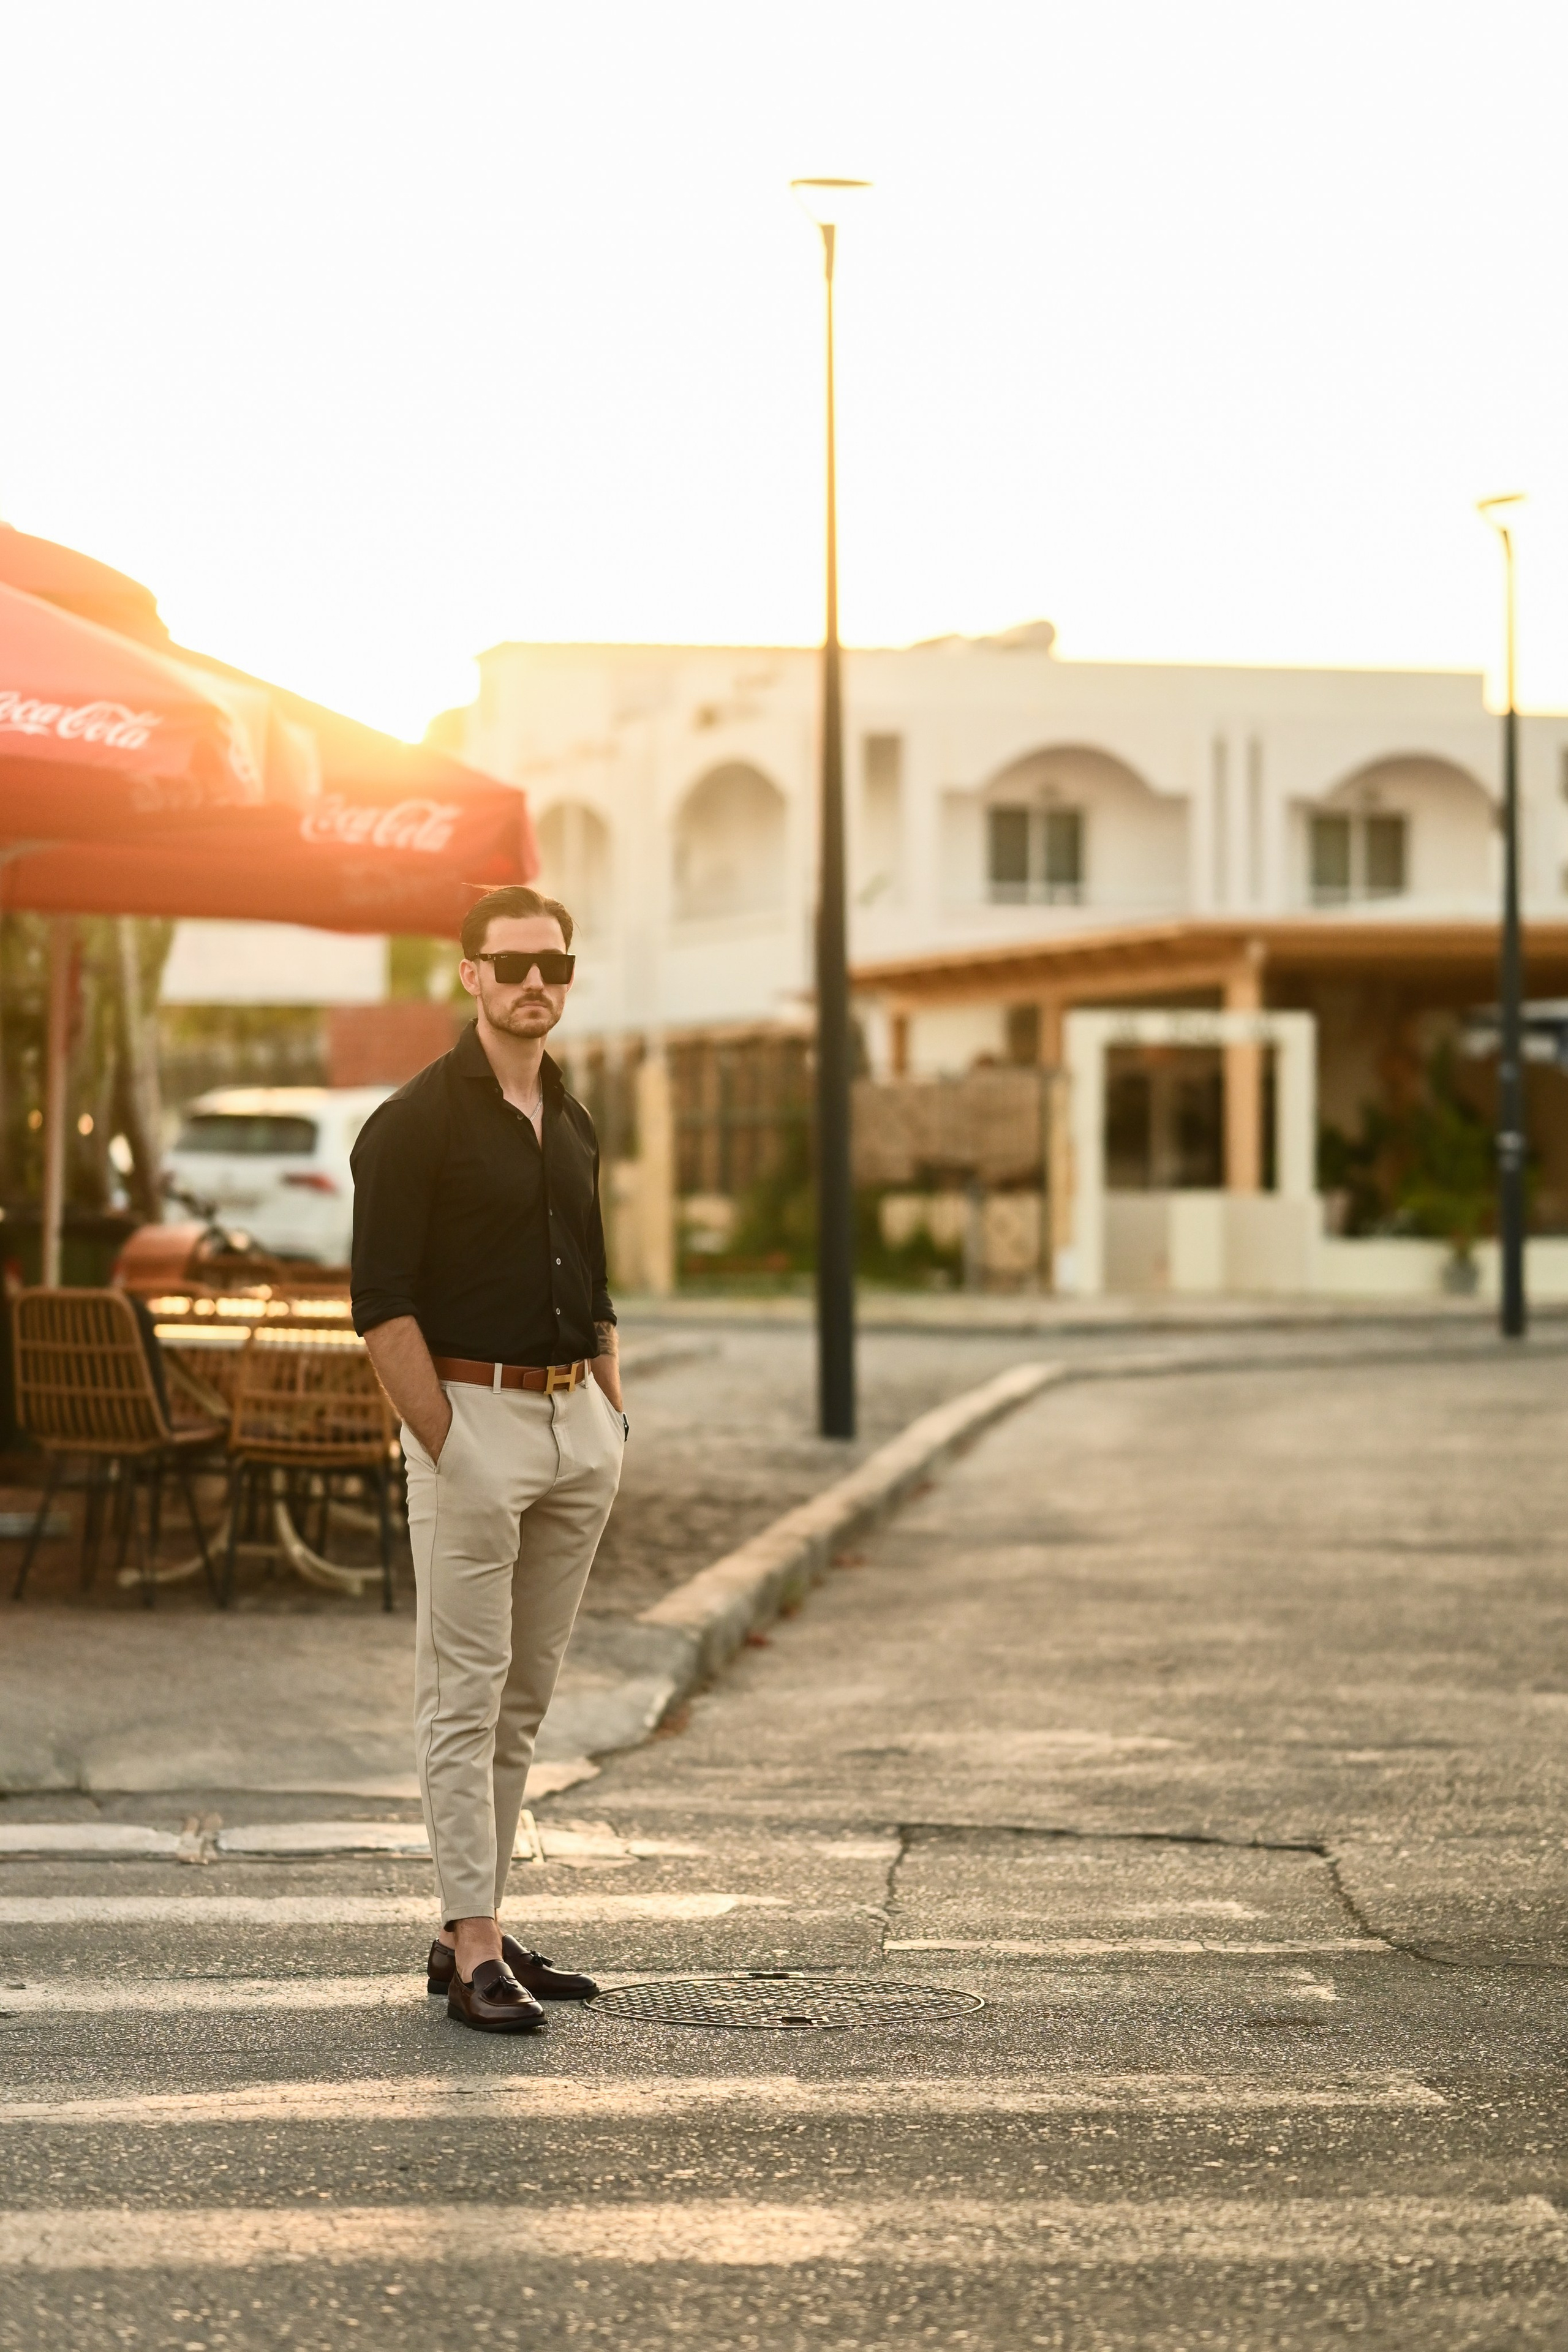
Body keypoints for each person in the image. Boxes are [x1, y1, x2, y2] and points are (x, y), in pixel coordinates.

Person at [350, 883, 627, 2033]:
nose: (533, 986)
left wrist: (612, 1416)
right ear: (469, 975)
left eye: (553, 968)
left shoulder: (570, 1115)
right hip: (472, 1419)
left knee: (523, 1698)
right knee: (460, 1696)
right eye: (512, 966)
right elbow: (381, 1304)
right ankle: (473, 1948)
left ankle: (480, 1919)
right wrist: (449, 1445)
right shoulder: (414, 1122)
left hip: (575, 1431)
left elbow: (597, 1283)